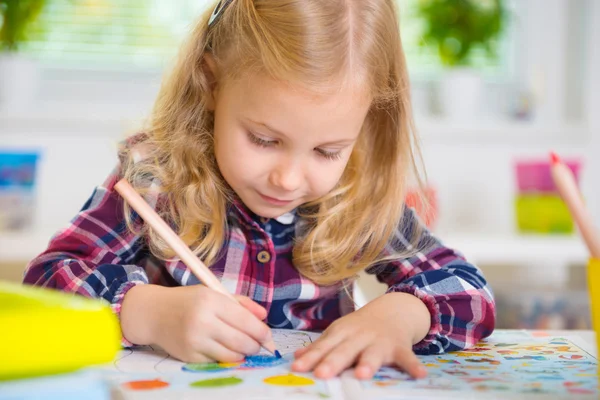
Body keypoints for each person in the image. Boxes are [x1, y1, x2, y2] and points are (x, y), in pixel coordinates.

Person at [24, 0, 495, 380]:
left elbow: (471, 295)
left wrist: (398, 316)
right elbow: (45, 284)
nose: (289, 179)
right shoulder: (157, 177)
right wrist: (147, 311)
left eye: (328, 151)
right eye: (264, 140)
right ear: (211, 83)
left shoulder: (357, 194)